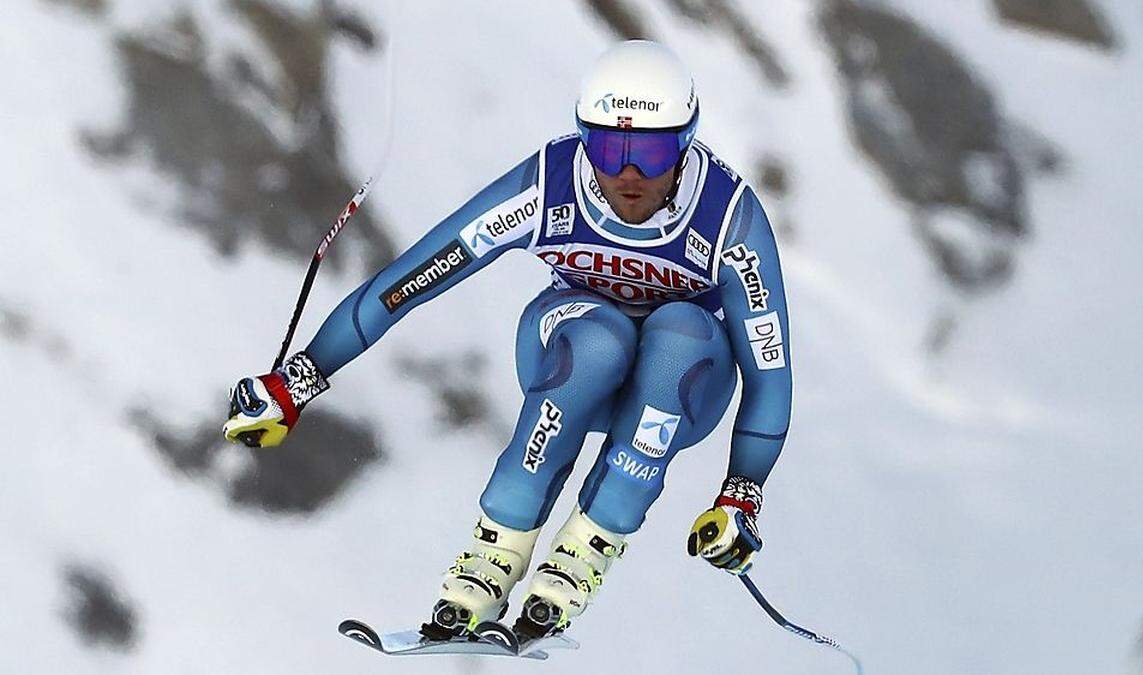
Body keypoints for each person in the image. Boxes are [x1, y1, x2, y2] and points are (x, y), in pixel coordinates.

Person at [223, 39, 792, 643]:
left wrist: (741, 495)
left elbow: (769, 373)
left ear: (685, 141)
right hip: (574, 347)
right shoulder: (550, 184)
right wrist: (299, 379)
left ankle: (579, 560)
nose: (627, 172)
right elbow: (407, 282)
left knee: (682, 335)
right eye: (606, 145)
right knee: (598, 341)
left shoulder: (729, 217)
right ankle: (487, 565)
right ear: (582, 137)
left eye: (649, 152)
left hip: (683, 387)